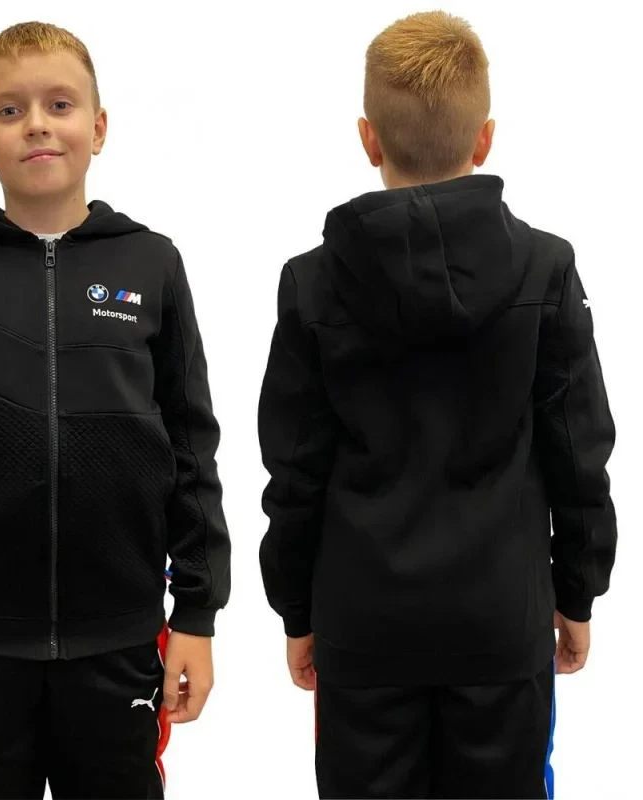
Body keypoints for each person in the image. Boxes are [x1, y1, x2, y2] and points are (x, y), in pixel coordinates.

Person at [0, 20, 230, 800]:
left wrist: (197, 614)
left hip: (120, 643)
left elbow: (191, 448)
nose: (35, 123)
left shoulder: (152, 265)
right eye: (9, 110)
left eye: (59, 104)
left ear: (98, 127)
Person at [257, 10, 617, 799]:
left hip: (365, 626)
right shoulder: (546, 271)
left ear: (368, 139)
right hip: (501, 622)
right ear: (484, 139)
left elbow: (294, 468)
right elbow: (577, 452)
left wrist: (296, 609)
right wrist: (577, 590)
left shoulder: (312, 284)